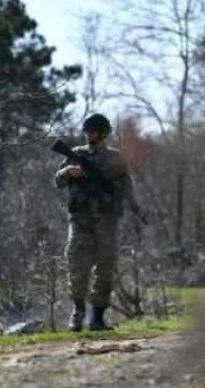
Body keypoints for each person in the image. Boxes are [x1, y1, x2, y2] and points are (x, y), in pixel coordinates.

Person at [54, 113, 132, 331]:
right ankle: (77, 312)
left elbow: (127, 187)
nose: (88, 134)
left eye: (93, 131)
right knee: (77, 267)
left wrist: (122, 202)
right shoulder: (75, 154)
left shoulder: (116, 159)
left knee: (105, 270)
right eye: (86, 131)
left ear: (104, 133)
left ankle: (97, 317)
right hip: (80, 222)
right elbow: (58, 181)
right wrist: (67, 171)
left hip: (106, 222)